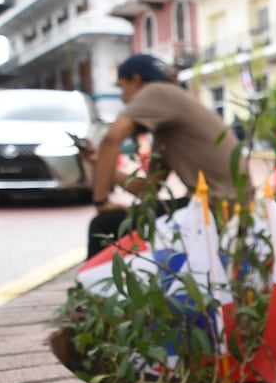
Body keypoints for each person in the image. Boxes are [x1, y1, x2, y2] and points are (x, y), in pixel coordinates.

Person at [85, 54, 246, 257]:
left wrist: (101, 203)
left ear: (135, 80)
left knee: (104, 223)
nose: (124, 99)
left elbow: (112, 138)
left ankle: (95, 288)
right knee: (128, 218)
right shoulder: (169, 126)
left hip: (216, 209)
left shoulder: (156, 91)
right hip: (228, 206)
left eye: (122, 87)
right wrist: (98, 161)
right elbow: (148, 190)